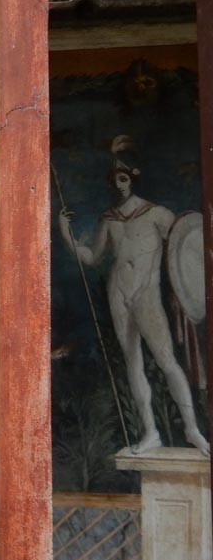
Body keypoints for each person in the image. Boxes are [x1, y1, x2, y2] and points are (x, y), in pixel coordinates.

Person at [59, 163, 210, 456]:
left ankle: (192, 430)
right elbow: (92, 257)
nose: (119, 185)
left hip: (147, 294)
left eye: (124, 178)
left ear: (133, 179)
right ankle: (149, 431)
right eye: (114, 180)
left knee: (167, 360)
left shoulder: (156, 214)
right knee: (133, 362)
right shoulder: (110, 219)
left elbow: (185, 245)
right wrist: (66, 233)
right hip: (119, 293)